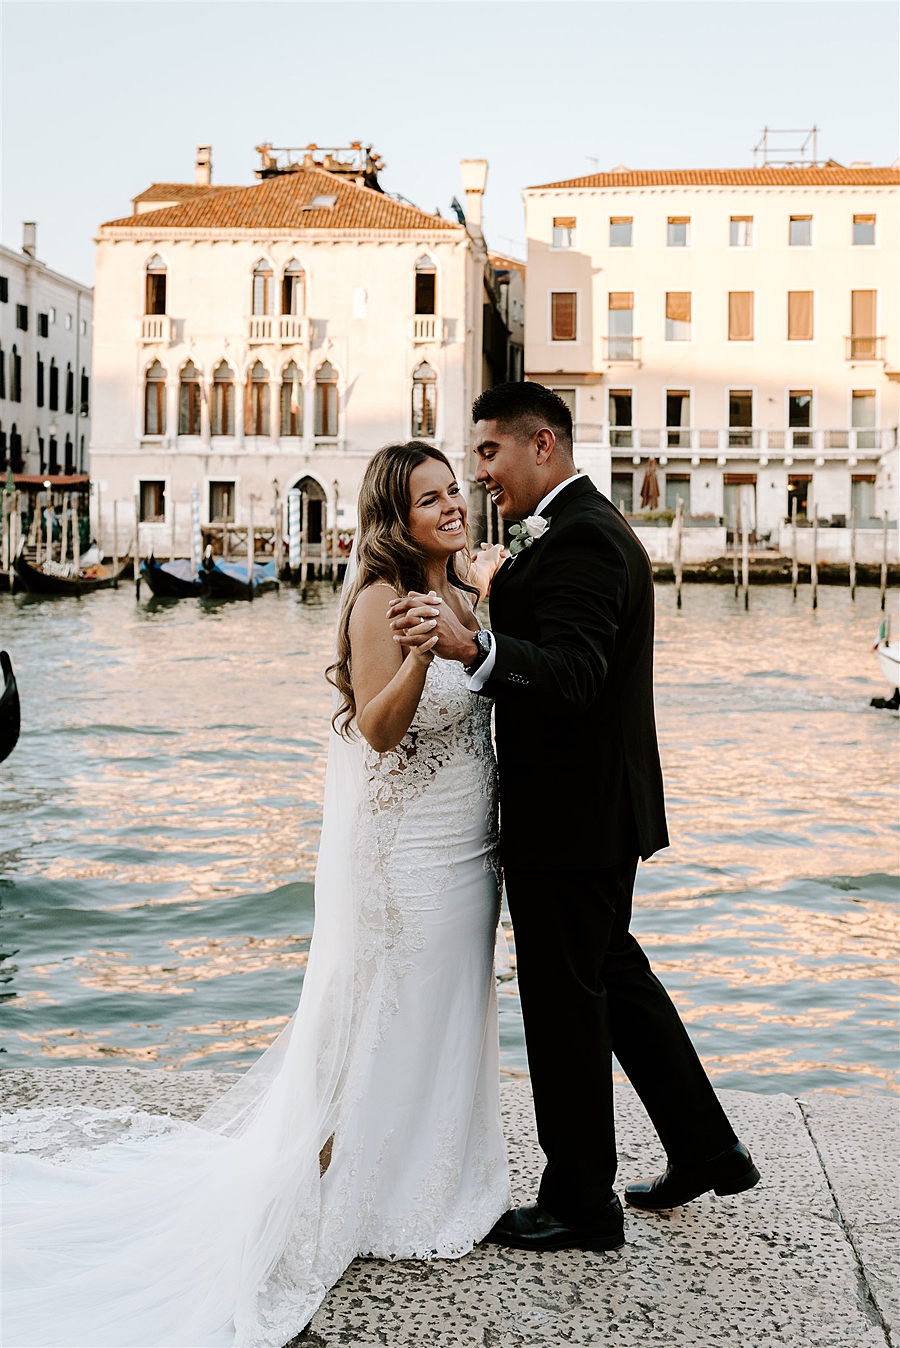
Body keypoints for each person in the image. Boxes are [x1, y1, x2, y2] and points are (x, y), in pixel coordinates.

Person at [1, 441, 510, 1348]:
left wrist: (478, 604)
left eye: (453, 492)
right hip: (407, 857)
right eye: (430, 499)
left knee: (448, 1010)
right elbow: (379, 732)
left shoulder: (468, 593)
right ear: (395, 517)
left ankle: (440, 1176)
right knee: (389, 1013)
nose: (451, 508)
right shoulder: (378, 601)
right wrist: (420, 657)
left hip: (469, 850)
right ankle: (364, 1189)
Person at [388, 383, 759, 1254]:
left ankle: (581, 1203)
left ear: (541, 444)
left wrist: (475, 644)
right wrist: (498, 589)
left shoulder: (586, 538)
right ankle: (707, 1146)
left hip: (573, 818)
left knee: (563, 1007)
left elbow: (577, 672)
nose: (479, 473)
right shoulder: (575, 528)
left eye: (488, 453)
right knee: (613, 979)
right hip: (593, 809)